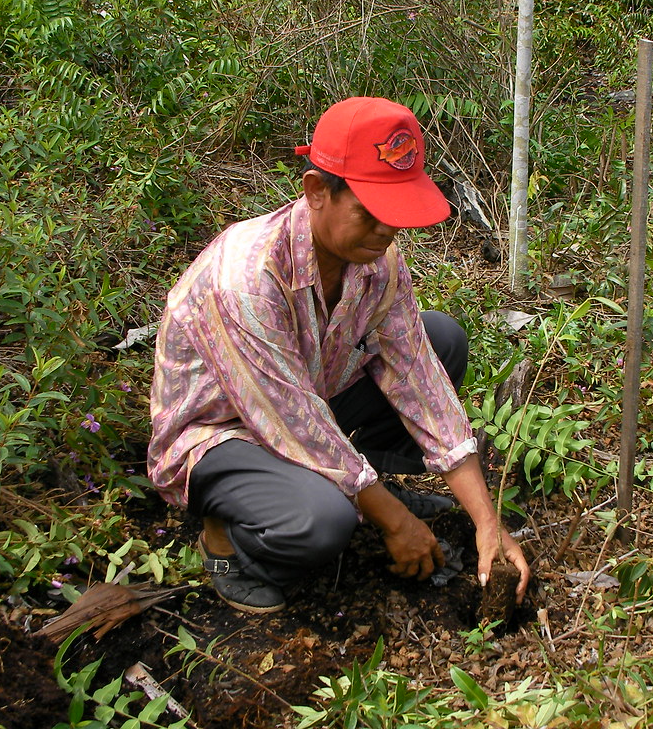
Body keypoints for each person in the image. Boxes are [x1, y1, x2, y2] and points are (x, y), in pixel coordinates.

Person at [147, 96, 530, 613]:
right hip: (220, 433)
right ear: (317, 192)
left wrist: (489, 522)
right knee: (322, 521)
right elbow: (293, 421)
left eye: (396, 215)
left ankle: (360, 490)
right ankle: (227, 543)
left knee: (442, 342)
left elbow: (420, 379)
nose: (388, 231)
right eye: (372, 213)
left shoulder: (377, 263)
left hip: (306, 403)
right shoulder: (247, 279)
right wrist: (395, 520)